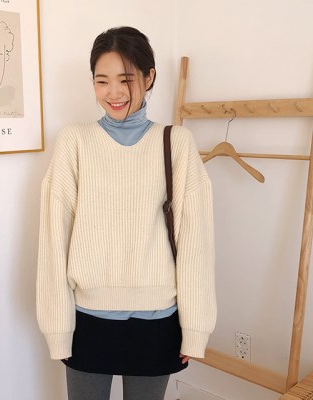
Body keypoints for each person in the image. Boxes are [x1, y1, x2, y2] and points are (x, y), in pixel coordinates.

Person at [36, 26, 216, 400]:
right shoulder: (74, 141)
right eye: (102, 81)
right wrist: (57, 329)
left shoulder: (176, 142)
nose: (114, 92)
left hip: (158, 322)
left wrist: (194, 328)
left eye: (126, 79)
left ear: (149, 78)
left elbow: (196, 243)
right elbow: (54, 239)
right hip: (87, 320)